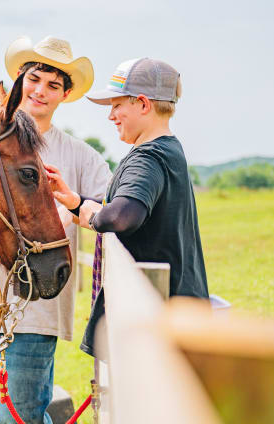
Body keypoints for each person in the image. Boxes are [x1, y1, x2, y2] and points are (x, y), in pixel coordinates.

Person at [0, 36, 112, 424]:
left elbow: (108, 213)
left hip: (35, 311)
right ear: (18, 80)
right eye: (34, 79)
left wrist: (70, 205)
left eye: (54, 85)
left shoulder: (81, 157)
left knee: (21, 421)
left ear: (66, 94)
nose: (41, 91)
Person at [46, 58, 209, 356]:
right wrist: (75, 201)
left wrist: (98, 215)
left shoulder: (148, 157)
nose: (111, 116)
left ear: (144, 104)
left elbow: (121, 217)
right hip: (175, 316)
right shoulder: (169, 148)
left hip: (155, 324)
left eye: (117, 105)